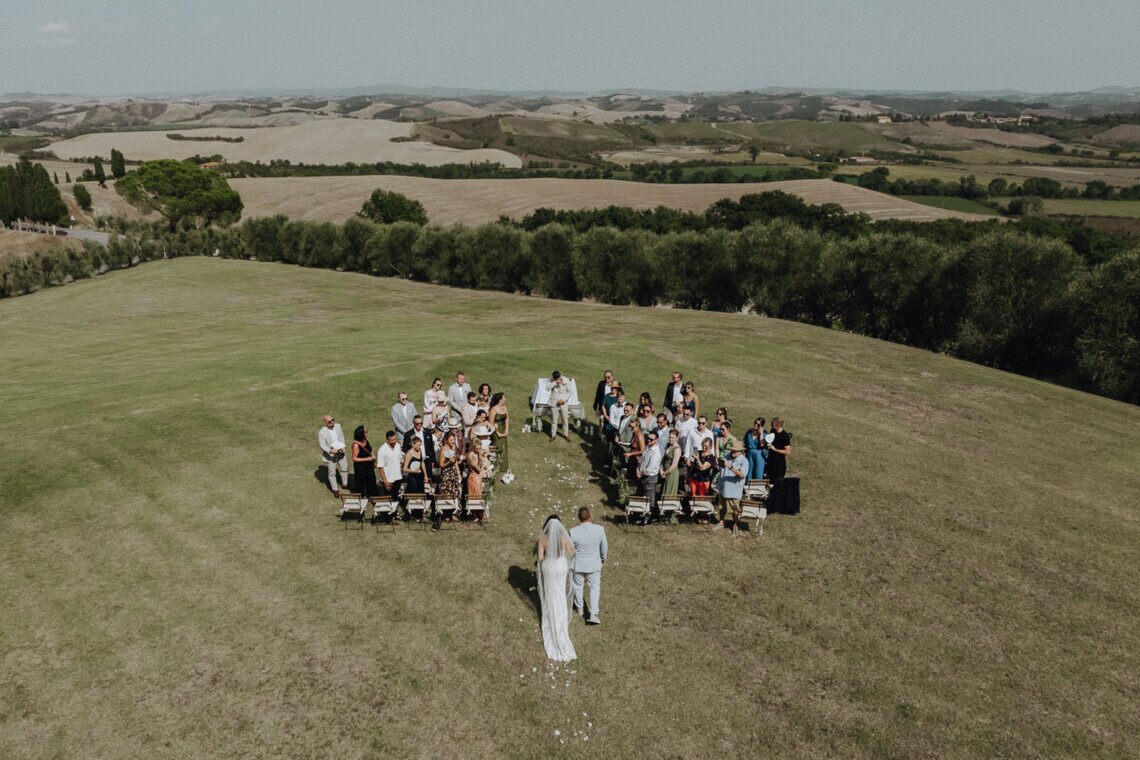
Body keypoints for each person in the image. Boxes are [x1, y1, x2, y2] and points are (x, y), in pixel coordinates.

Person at [537, 515, 577, 662]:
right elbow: (571, 553)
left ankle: (551, 615)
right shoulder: (563, 538)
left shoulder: (542, 539)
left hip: (549, 567)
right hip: (560, 567)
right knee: (560, 593)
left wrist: (548, 557)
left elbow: (540, 558)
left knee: (550, 594)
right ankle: (561, 617)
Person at [569, 507, 608, 624]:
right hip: (594, 564)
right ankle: (593, 613)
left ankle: (580, 608)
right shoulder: (599, 529)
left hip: (578, 564)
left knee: (578, 585)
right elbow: (604, 547)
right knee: (594, 587)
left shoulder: (572, 531)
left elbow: (570, 550)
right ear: (590, 515)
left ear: (579, 518)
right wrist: (602, 559)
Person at [715, 440, 750, 537]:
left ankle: (735, 525)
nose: (732, 452)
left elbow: (742, 475)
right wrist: (718, 463)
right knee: (722, 506)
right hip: (723, 487)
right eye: (732, 450)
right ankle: (721, 522)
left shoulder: (744, 461)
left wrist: (730, 467)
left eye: (735, 451)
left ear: (741, 451)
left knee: (735, 509)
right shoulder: (727, 456)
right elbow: (721, 465)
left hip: (734, 489)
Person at [318, 415, 349, 497]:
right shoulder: (321, 432)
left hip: (341, 452)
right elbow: (322, 445)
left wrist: (343, 446)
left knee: (344, 468)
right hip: (331, 455)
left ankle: (345, 484)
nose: (332, 422)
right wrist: (330, 450)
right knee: (332, 473)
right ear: (325, 423)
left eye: (332, 420)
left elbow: (341, 436)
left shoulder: (338, 426)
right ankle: (335, 490)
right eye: (329, 421)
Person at [638, 430, 663, 519]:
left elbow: (649, 470)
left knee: (649, 499)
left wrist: (640, 474)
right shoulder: (647, 447)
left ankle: (649, 517)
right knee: (641, 496)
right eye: (648, 438)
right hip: (642, 475)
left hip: (649, 478)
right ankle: (641, 514)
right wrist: (637, 469)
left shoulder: (656, 453)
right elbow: (641, 460)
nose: (648, 440)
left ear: (656, 440)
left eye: (651, 439)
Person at [351, 425, 379, 498]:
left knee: (372, 482)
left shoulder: (366, 441)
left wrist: (372, 455)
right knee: (361, 484)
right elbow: (354, 458)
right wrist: (367, 459)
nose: (367, 433)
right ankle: (361, 497)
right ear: (361, 434)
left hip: (369, 466)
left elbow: (369, 450)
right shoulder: (356, 445)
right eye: (365, 432)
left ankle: (373, 497)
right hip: (361, 468)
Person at [376, 430, 404, 497]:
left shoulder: (397, 446)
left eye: (395, 439)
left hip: (398, 477)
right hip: (389, 480)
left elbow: (400, 459)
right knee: (388, 499)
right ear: (387, 440)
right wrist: (385, 482)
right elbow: (380, 467)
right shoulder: (382, 450)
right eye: (392, 440)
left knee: (396, 498)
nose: (394, 441)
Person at [436, 429, 462, 501]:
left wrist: (459, 473)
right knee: (447, 494)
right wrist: (449, 462)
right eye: (451, 440)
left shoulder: (453, 448)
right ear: (446, 440)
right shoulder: (443, 449)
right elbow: (441, 465)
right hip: (446, 474)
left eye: (453, 440)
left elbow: (455, 462)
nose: (453, 442)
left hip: (453, 473)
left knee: (455, 493)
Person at [548, 370, 572, 441]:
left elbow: (570, 392)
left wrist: (563, 400)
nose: (558, 380)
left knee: (565, 419)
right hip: (554, 402)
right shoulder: (551, 380)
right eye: (556, 379)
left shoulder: (566, 380)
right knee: (554, 420)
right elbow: (547, 388)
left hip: (563, 403)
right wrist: (555, 383)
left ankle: (566, 435)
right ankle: (553, 435)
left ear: (560, 375)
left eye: (558, 378)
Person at [489, 392, 510, 470]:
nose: (505, 399)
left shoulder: (504, 407)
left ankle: (503, 467)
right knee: (497, 447)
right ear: (500, 400)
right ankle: (495, 466)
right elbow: (491, 424)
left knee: (504, 448)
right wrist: (498, 433)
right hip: (495, 431)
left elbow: (507, 419)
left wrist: (506, 430)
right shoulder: (493, 409)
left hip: (503, 429)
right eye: (504, 398)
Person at [743, 418, 768, 482]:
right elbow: (744, 442)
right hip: (750, 452)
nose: (755, 425)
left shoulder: (764, 433)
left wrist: (761, 433)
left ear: (762, 425)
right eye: (755, 423)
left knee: (758, 472)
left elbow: (762, 444)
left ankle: (758, 488)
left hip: (759, 453)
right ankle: (747, 487)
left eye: (758, 424)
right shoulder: (749, 432)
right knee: (749, 471)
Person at [661, 428, 682, 498]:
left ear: (677, 438)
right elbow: (663, 459)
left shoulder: (677, 449)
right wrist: (661, 470)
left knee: (669, 494)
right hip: (664, 471)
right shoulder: (668, 445)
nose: (670, 439)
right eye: (670, 437)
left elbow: (674, 465)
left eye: (673, 438)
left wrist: (664, 473)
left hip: (671, 474)